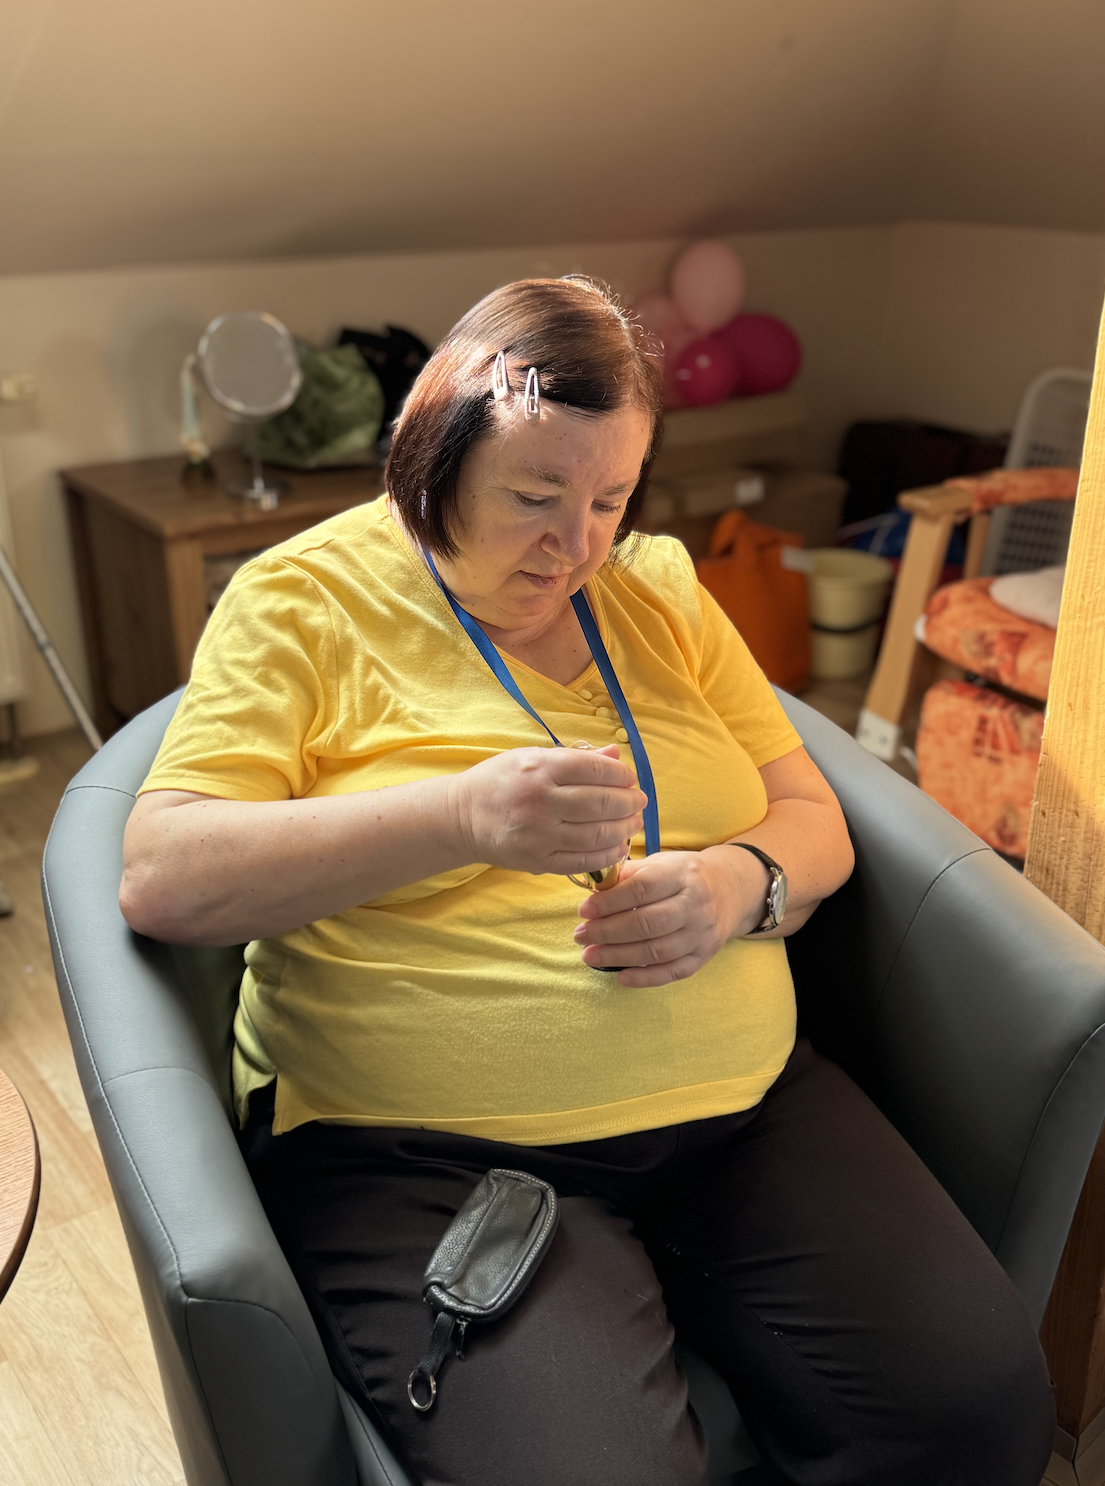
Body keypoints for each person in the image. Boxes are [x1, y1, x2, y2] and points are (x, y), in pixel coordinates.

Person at [121, 278, 1054, 1486]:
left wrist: (735, 883)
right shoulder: (301, 599)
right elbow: (165, 874)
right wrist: (460, 815)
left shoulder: (658, 587)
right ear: (433, 457)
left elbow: (814, 818)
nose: (577, 547)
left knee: (979, 1410)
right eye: (532, 497)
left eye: (609, 498)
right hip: (433, 1153)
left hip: (745, 1114)